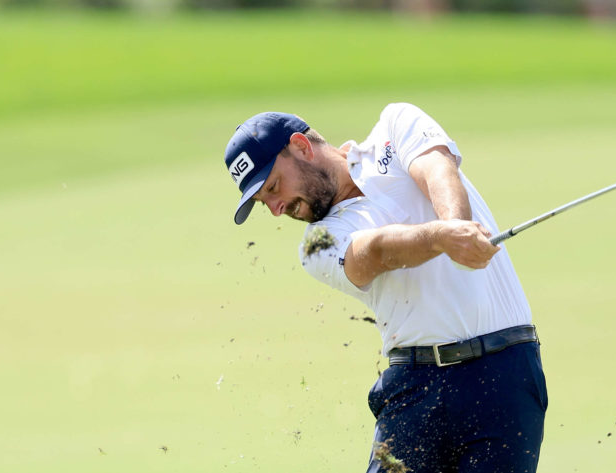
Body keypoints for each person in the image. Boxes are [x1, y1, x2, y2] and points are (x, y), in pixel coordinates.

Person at [223, 103, 547, 473]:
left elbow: (436, 168)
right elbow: (375, 252)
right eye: (266, 204)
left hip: (506, 374)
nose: (277, 209)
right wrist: (442, 238)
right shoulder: (318, 244)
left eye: (274, 187)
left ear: (301, 146)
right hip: (416, 387)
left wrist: (457, 224)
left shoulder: (395, 126)